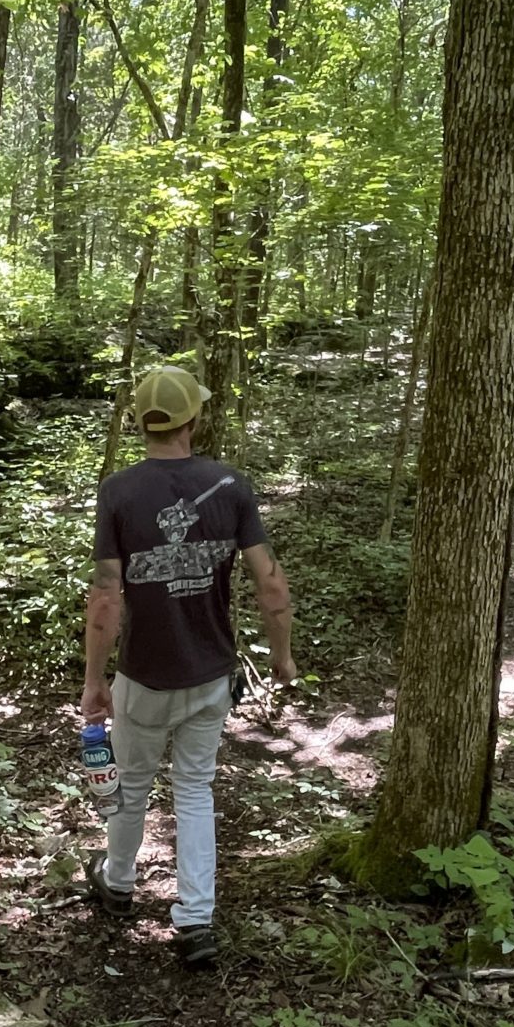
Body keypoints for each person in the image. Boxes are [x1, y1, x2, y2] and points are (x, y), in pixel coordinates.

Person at [81, 364, 296, 968]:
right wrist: (281, 657)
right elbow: (271, 586)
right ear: (192, 419)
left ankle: (118, 884)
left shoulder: (119, 492)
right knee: (195, 790)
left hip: (143, 679)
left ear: (141, 422)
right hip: (209, 675)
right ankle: (195, 919)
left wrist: (95, 681)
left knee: (131, 787)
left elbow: (105, 599)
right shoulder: (230, 485)